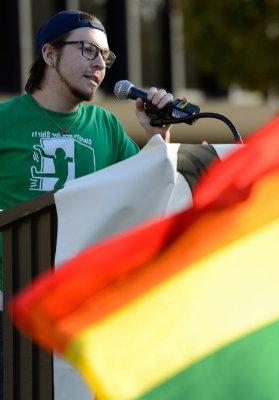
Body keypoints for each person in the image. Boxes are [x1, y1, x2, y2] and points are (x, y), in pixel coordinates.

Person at [0, 10, 176, 398]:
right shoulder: (4, 120)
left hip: (82, 311)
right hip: (10, 309)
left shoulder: (107, 126)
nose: (100, 65)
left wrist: (158, 134)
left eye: (106, 57)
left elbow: (143, 198)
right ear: (49, 54)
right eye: (88, 51)